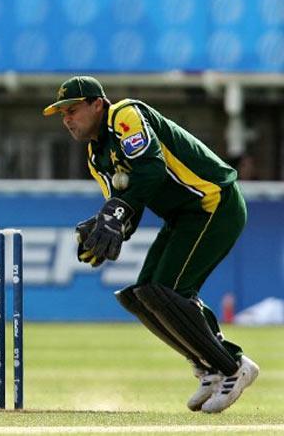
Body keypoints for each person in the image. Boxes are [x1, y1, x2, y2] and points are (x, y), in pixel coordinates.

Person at [43, 76, 259, 413]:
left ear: (97, 104)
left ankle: (233, 366)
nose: (67, 119)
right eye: (62, 114)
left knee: (168, 291)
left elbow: (151, 169)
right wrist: (104, 229)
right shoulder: (96, 156)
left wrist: (117, 212)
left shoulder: (125, 115)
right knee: (141, 295)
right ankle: (208, 366)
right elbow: (125, 208)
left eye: (72, 110)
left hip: (213, 202)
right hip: (183, 217)